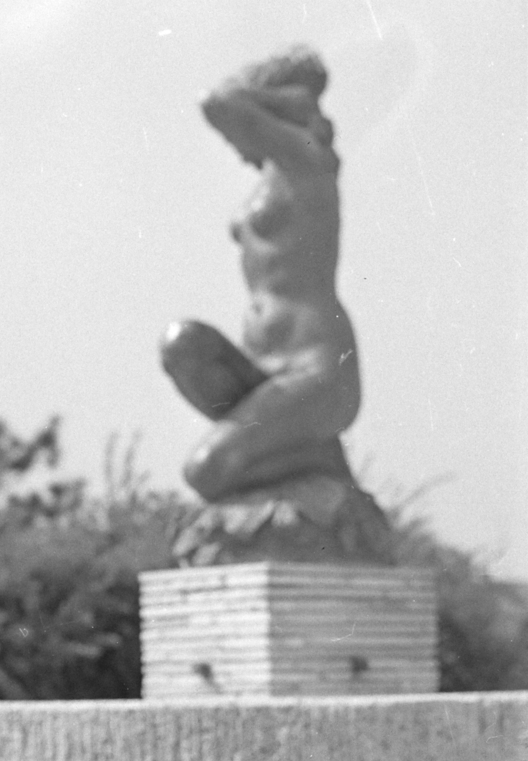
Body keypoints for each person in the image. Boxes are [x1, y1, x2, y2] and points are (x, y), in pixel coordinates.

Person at [160, 46, 393, 565]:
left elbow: (218, 102)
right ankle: (310, 453)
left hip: (315, 369)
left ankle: (310, 458)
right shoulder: (275, 172)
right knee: (184, 345)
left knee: (206, 473)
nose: (232, 142)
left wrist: (292, 103)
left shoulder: (306, 158)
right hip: (264, 368)